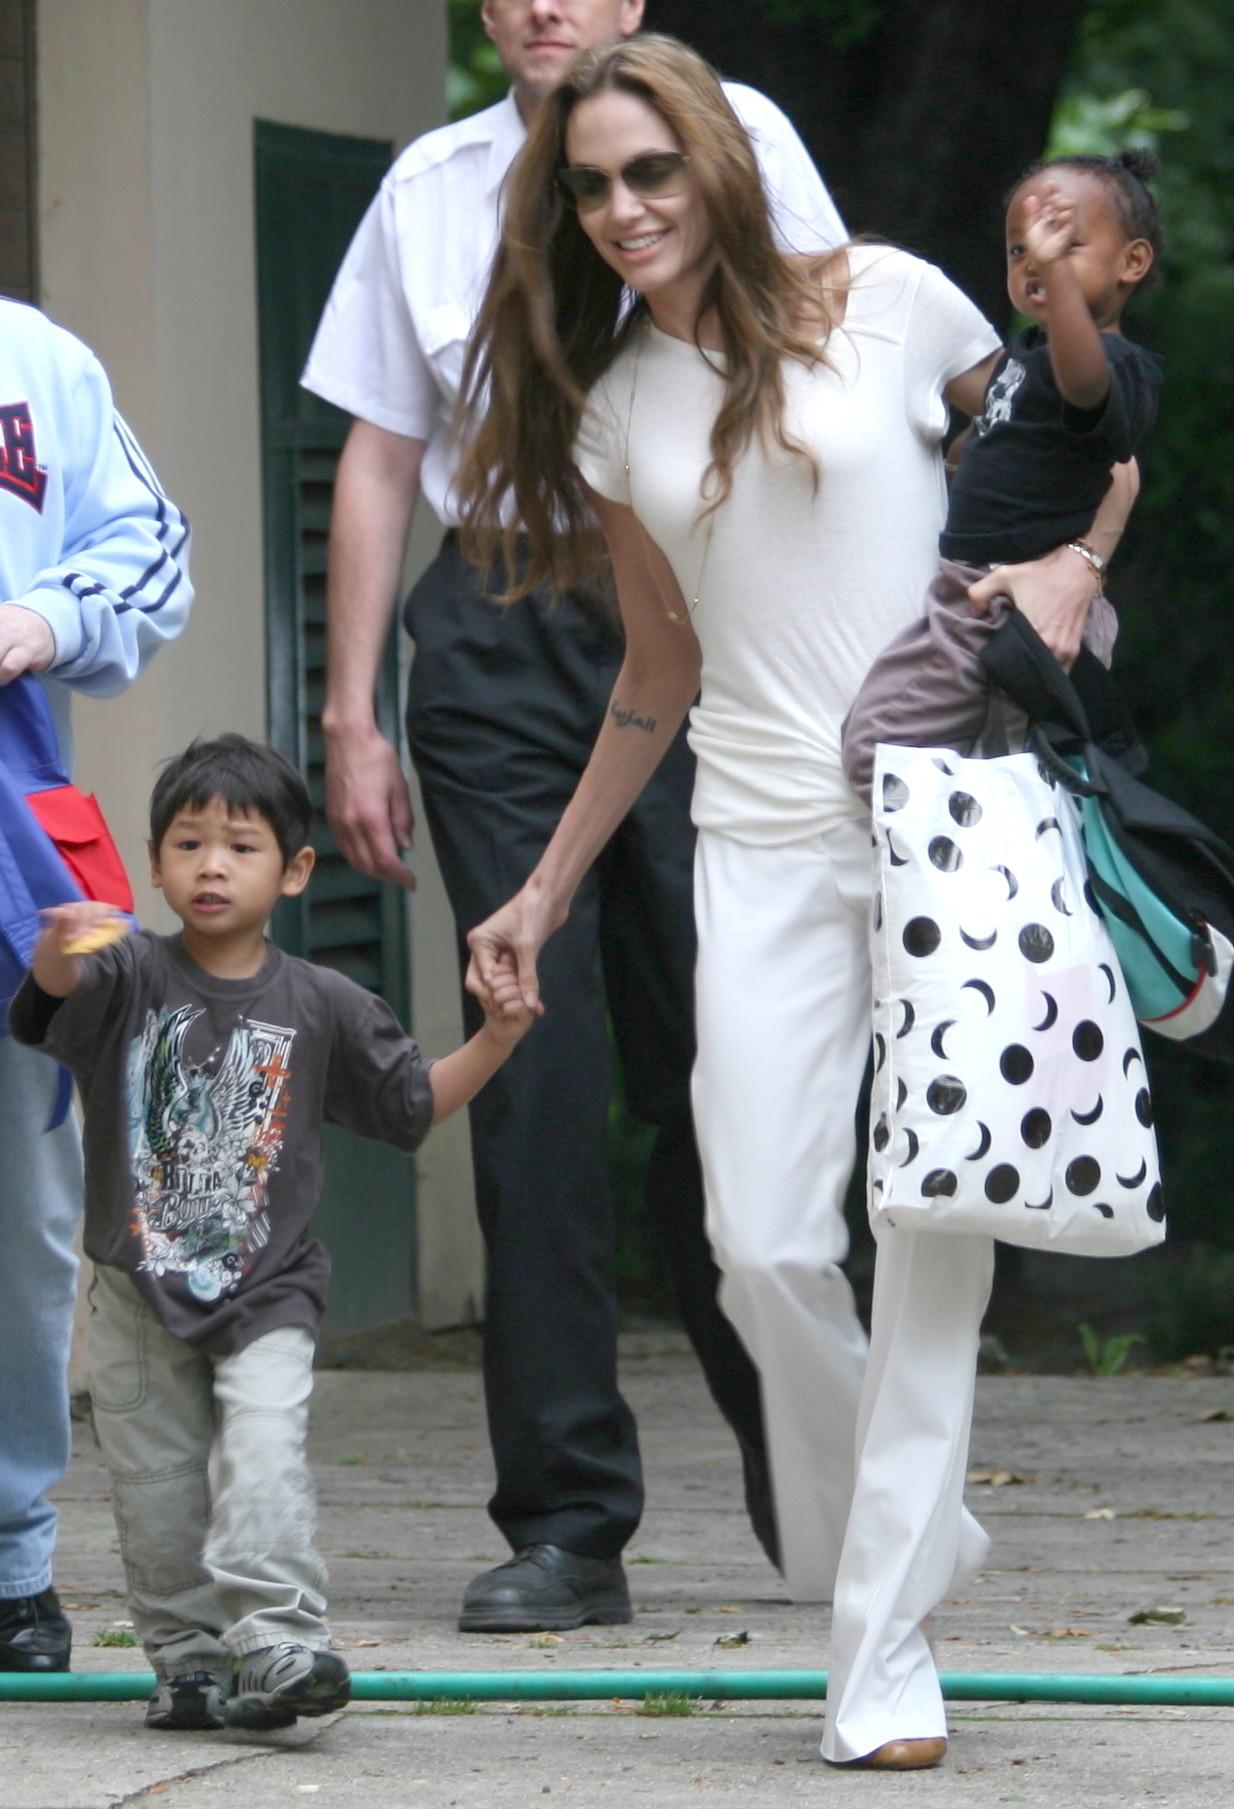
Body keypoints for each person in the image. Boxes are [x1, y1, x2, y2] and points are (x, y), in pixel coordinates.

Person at [454, 35, 1134, 1768]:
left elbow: (1084, 437)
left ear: (716, 164)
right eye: (590, 185)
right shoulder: (616, 407)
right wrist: (540, 885)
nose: (619, 209)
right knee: (760, 1246)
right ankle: (903, 1541)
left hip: (952, 823)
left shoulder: (892, 302)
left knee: (929, 1231)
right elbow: (653, 671)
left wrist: (1069, 567)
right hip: (753, 843)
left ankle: (879, 1645)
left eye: (647, 172)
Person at [301, 0, 847, 1633]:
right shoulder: (426, 185)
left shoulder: (728, 135)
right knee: (527, 1063)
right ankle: (564, 1519)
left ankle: (814, 1482)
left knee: (732, 1044)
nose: (547, 2)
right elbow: (382, 457)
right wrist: (348, 714)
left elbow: (847, 365)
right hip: (493, 628)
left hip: (714, 608)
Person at [8, 735, 535, 1731]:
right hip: (135, 1294)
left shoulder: (324, 1003)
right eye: (189, 844)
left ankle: (280, 1641)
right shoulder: (124, 977)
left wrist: (497, 1036)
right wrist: (54, 942)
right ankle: (189, 1661)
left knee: (261, 1461)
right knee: (157, 1494)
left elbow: (412, 1104)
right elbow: (48, 1007)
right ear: (156, 862)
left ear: (294, 871)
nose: (211, 865)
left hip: (267, 1294)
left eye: (240, 847)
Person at [0, 298, 193, 1674]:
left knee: (22, 1209)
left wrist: (41, 615)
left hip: (9, 857)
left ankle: (10, 1553)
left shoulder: (33, 361)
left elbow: (148, 551)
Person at [841, 149, 1162, 803]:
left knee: (876, 752)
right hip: (980, 591)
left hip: (1014, 603)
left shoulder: (1112, 365)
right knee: (1005, 758)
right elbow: (1010, 430)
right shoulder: (1029, 353)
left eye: (1063, 244)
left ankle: (976, 845)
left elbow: (1085, 386)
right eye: (1020, 251)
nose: (1035, 262)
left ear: (1132, 261)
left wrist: (1059, 286)